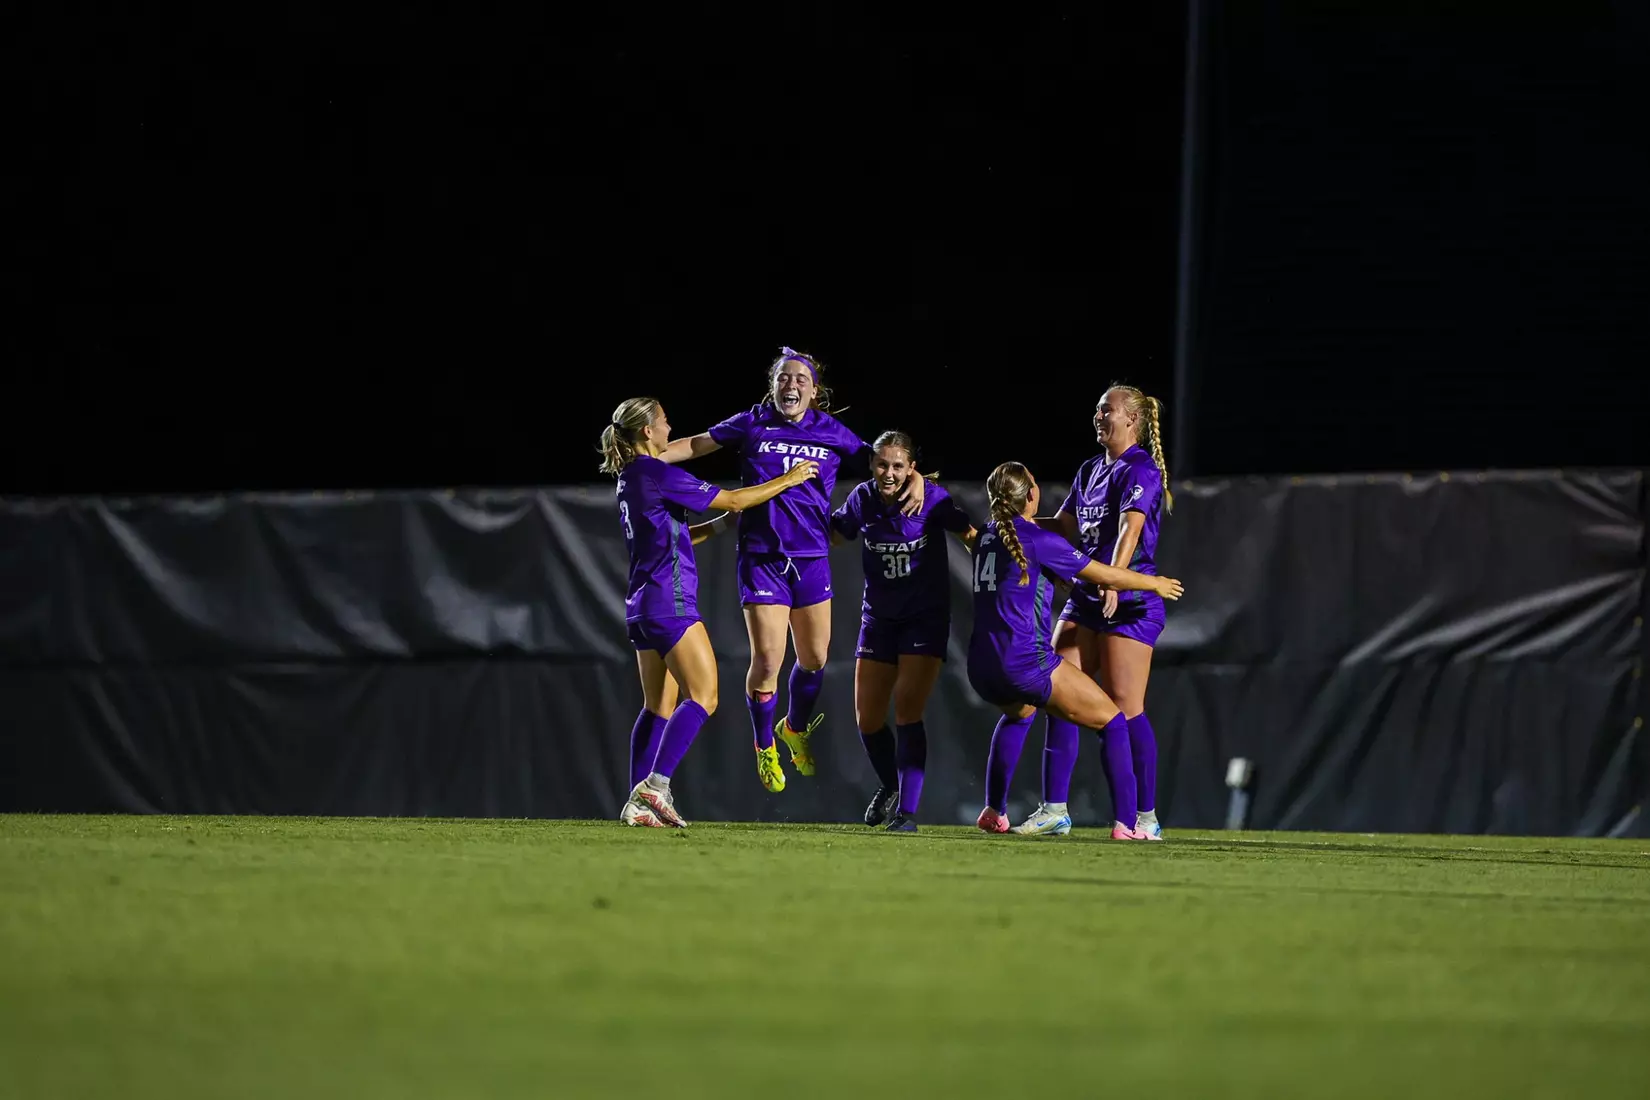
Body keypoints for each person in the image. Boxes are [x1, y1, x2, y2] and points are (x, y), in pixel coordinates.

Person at [657, 347, 924, 794]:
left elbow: (882, 462)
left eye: (801, 378)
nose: (791, 384)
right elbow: (697, 443)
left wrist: (916, 479)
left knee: (816, 658)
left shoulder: (831, 432)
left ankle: (793, 728)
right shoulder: (753, 422)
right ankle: (765, 745)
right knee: (767, 660)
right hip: (762, 557)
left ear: (814, 391)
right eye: (784, 377)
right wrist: (648, 460)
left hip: (811, 558)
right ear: (773, 385)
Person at [599, 396, 819, 827]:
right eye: (663, 421)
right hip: (669, 602)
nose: (668, 427)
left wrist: (718, 527)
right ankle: (655, 786)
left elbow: (671, 534)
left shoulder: (629, 478)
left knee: (657, 708)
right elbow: (735, 500)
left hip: (641, 605)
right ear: (647, 432)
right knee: (704, 696)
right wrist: (788, 479)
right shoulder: (656, 471)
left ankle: (636, 803)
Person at [966, 461, 1184, 841]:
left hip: (980, 667)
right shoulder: (1038, 539)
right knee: (1115, 720)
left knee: (1020, 714)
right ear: (1031, 495)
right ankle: (1129, 825)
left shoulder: (986, 534)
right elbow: (1105, 574)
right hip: (1024, 663)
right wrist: (1154, 583)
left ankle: (995, 809)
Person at [1016, 385, 1176, 839]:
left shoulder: (1140, 468)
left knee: (1126, 708)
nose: (1099, 416)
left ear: (1133, 422)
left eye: (1108, 411)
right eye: (1097, 410)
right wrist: (1014, 524)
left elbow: (1131, 527)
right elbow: (1065, 527)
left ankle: (1144, 817)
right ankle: (1054, 810)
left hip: (1130, 602)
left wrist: (1112, 577)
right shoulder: (1090, 469)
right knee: (1057, 695)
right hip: (1088, 597)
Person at [829, 431, 977, 832]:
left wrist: (1006, 563)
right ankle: (891, 784)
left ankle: (906, 814)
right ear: (872, 465)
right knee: (867, 719)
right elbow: (836, 535)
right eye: (882, 464)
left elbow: (970, 536)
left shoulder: (931, 498)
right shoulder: (863, 498)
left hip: (923, 619)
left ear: (911, 467)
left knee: (908, 709)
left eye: (898, 466)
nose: (889, 472)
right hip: (877, 620)